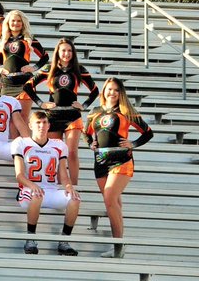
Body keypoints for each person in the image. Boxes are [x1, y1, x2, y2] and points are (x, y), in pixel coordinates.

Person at [84, 77, 153, 259]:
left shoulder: (126, 111)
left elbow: (148, 132)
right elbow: (86, 133)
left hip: (121, 160)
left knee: (109, 199)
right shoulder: (95, 111)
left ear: (120, 93)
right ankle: (119, 244)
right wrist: (91, 143)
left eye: (116, 90)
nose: (112, 93)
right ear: (104, 91)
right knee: (113, 203)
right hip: (100, 162)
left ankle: (117, 246)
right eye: (109, 89)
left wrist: (133, 143)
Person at [24, 38, 98, 186]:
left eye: (70, 50)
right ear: (58, 51)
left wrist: (83, 105)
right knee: (56, 152)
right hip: (53, 116)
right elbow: (27, 86)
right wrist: (41, 103)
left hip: (72, 116)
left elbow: (95, 91)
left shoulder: (79, 69)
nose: (66, 53)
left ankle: (75, 186)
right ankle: (59, 185)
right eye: (63, 50)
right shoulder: (49, 68)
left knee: (71, 153)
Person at [13, 110, 80, 256]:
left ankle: (64, 241)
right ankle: (30, 238)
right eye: (38, 122)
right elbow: (19, 175)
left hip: (51, 190)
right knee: (37, 195)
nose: (41, 126)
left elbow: (63, 174)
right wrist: (32, 185)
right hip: (29, 190)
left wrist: (68, 186)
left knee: (75, 199)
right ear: (30, 125)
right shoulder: (21, 143)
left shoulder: (58, 145)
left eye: (44, 123)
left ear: (49, 125)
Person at [0, 9, 47, 118]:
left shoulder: (29, 39)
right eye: (13, 21)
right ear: (8, 23)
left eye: (19, 21)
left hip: (25, 83)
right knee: (7, 117)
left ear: (23, 23)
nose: (16, 23)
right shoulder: (3, 41)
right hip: (6, 83)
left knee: (22, 118)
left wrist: (34, 68)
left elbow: (45, 57)